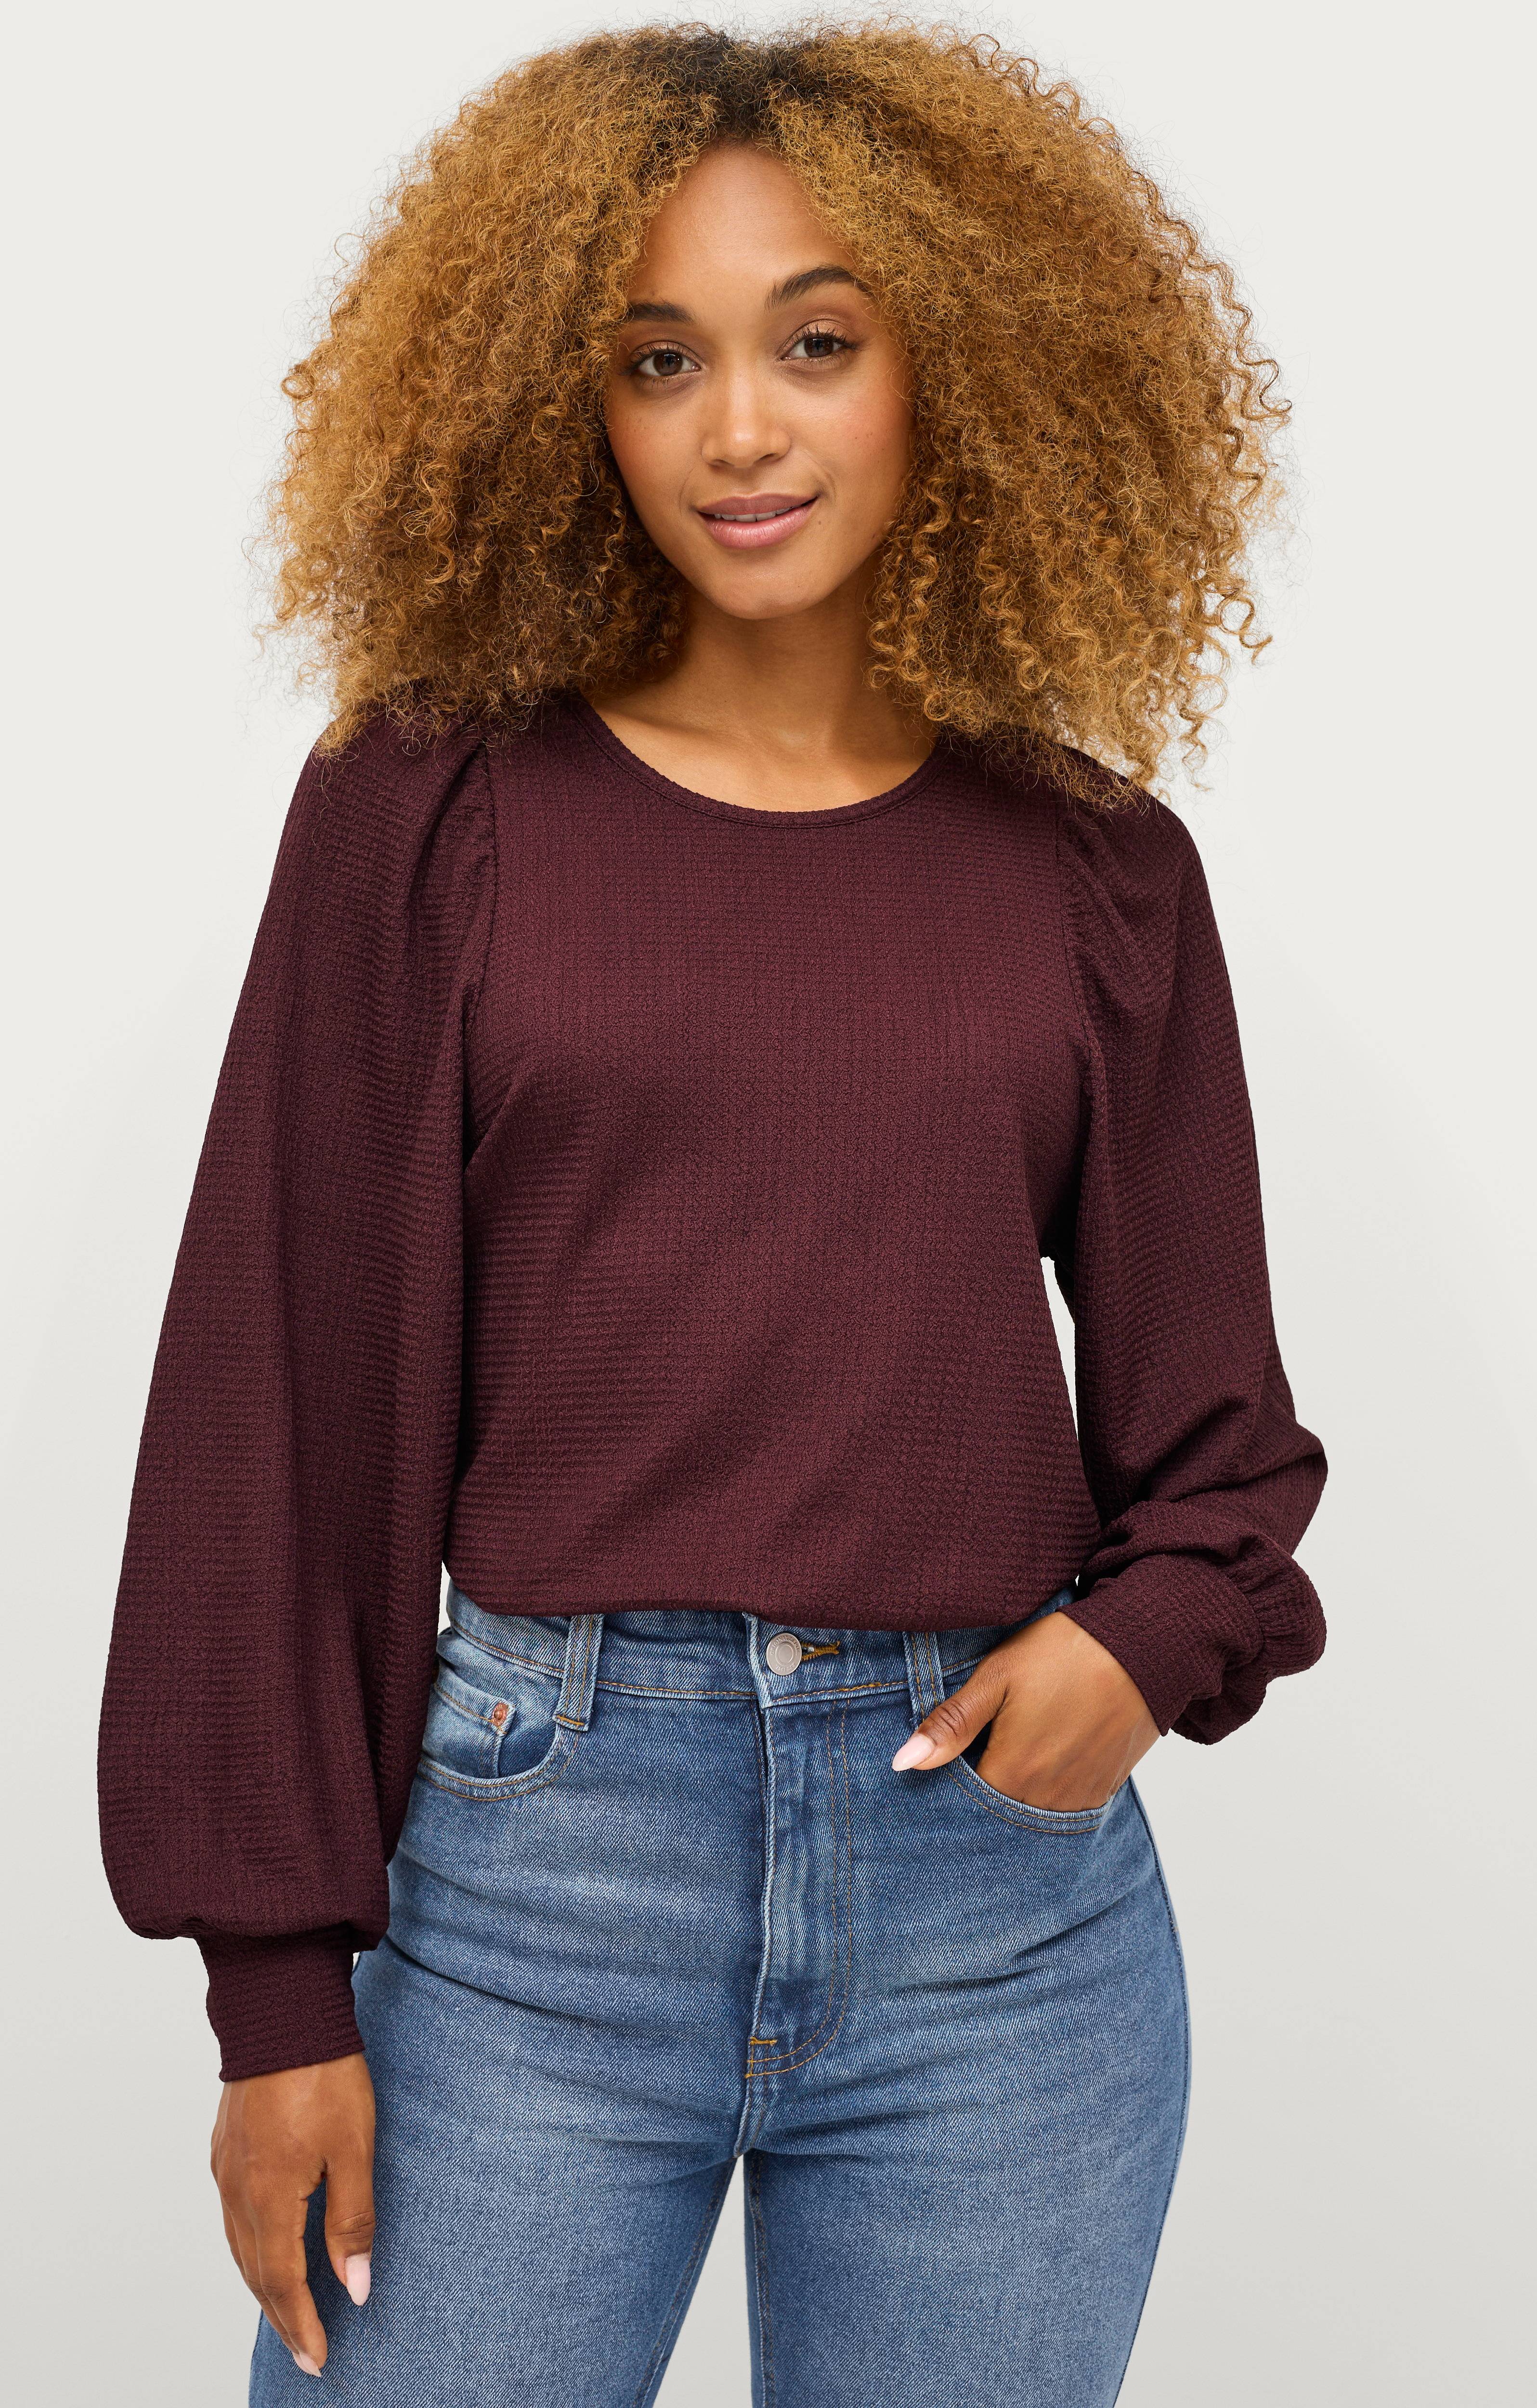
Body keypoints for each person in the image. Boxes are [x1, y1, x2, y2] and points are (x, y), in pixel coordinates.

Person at [97, 24, 1329, 2406]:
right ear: (570, 400)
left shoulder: (1099, 870)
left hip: (998, 1920)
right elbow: (285, 1409)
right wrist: (275, 1993)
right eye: (660, 359)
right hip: (531, 1893)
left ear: (956, 358)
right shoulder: (426, 815)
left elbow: (1220, 1447)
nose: (739, 429)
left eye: (816, 342)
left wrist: (1137, 1649)